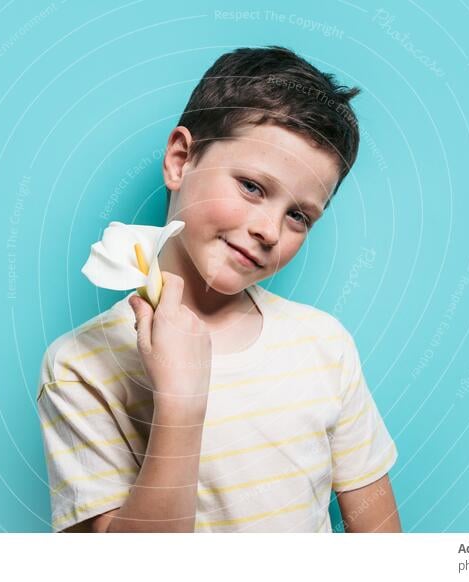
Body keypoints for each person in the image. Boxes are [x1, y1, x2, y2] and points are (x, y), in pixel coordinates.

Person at [36, 45, 401, 533]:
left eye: (299, 216)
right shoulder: (81, 366)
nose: (270, 230)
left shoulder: (325, 345)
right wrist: (182, 404)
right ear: (181, 159)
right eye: (252, 186)